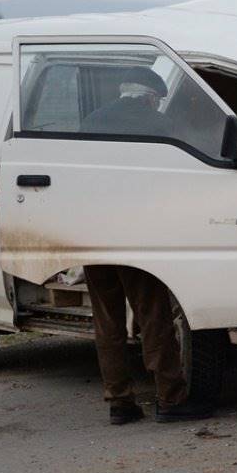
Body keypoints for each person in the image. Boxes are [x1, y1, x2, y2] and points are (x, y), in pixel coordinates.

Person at [80, 67, 211, 424]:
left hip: (93, 236)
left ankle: (119, 403)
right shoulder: (159, 126)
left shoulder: (91, 121)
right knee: (153, 318)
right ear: (151, 97)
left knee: (107, 323)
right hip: (136, 236)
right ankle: (170, 398)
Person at [80, 66, 174, 137]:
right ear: (153, 97)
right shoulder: (160, 123)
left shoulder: (93, 118)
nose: (158, 105)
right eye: (160, 100)